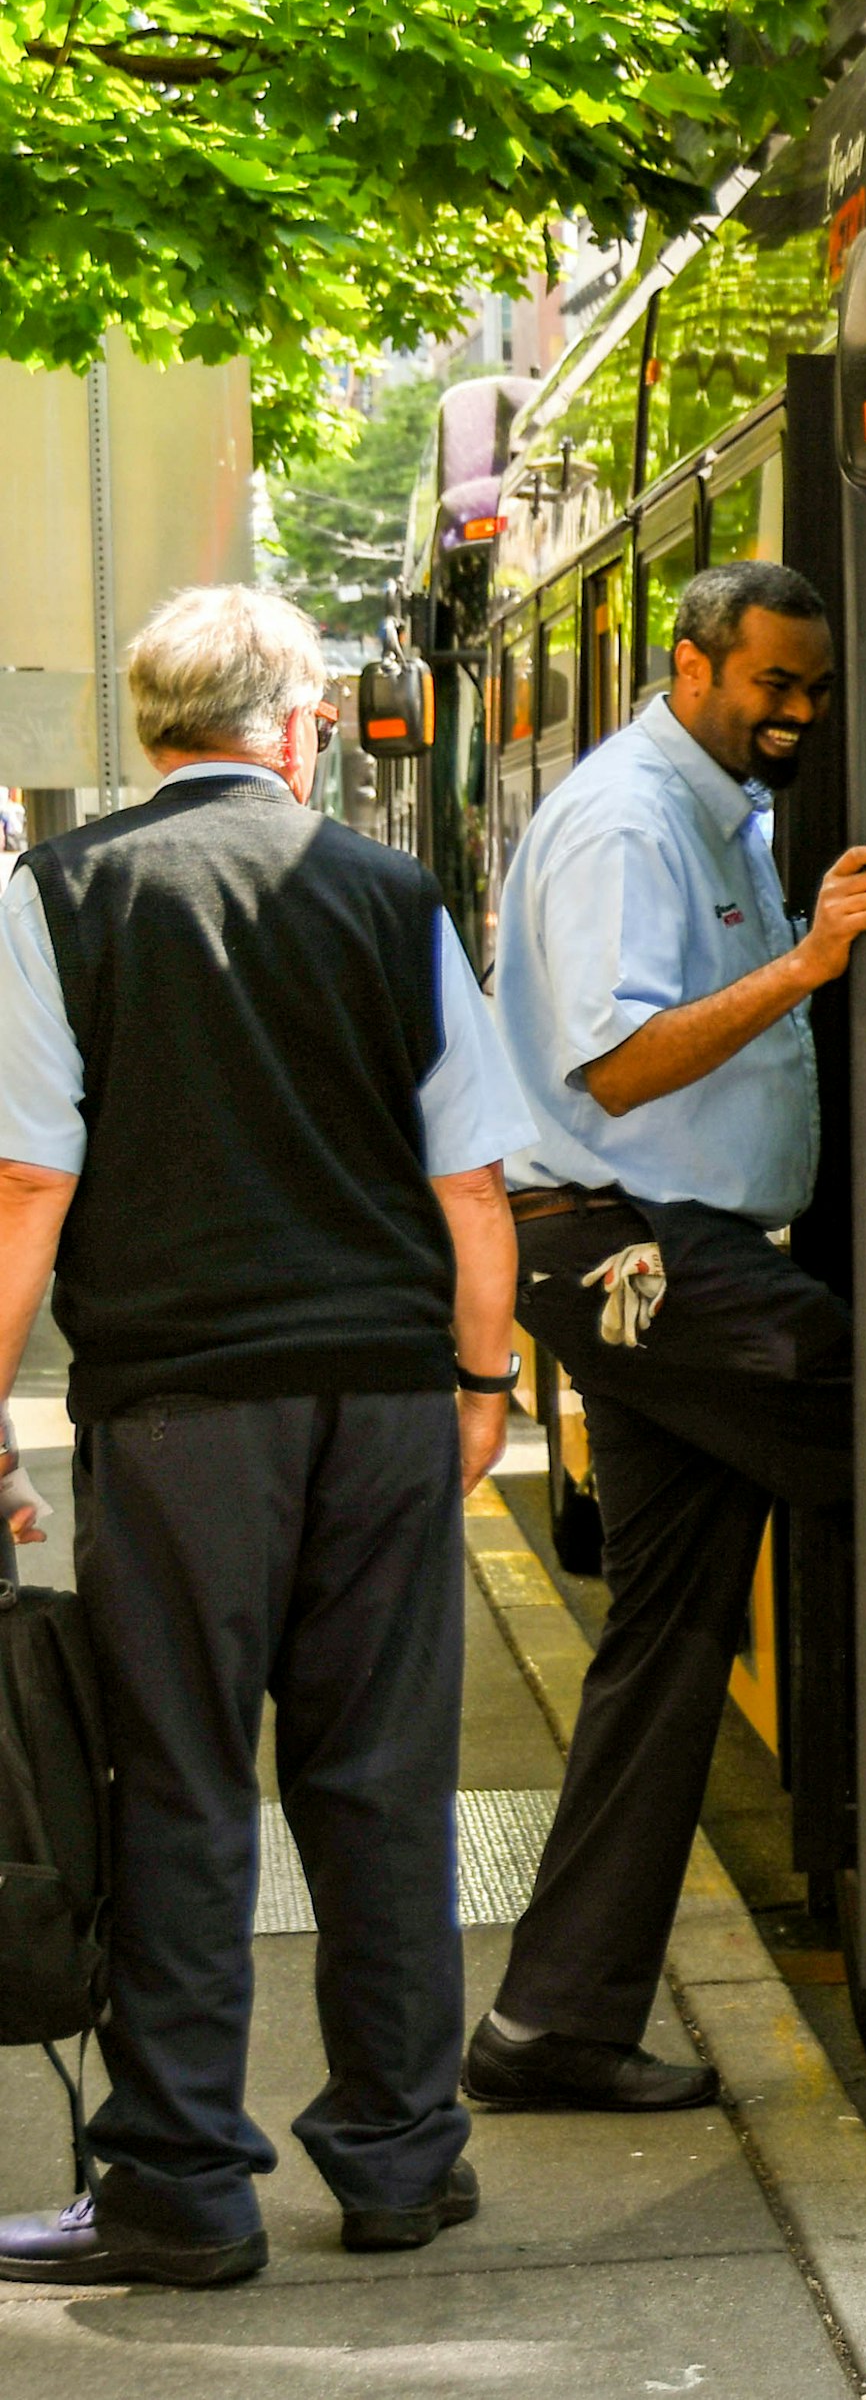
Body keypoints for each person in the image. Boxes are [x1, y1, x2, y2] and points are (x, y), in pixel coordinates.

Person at [0, 586, 532, 2287]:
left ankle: (180, 2185)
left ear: (150, 726)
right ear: (296, 721)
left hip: (177, 1420)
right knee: (382, 1785)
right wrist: (481, 1386)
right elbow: (470, 1184)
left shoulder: (59, 896)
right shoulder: (389, 894)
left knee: (177, 1785)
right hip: (381, 1405)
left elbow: (27, 1183)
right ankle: (397, 2158)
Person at [466, 561, 866, 2113]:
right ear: (693, 661)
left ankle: (550, 2023)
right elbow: (614, 1069)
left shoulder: (720, 801)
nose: (794, 711)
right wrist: (805, 965)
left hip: (663, 1248)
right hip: (638, 1244)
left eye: (811, 686)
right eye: (769, 683)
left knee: (666, 1640)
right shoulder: (625, 818)